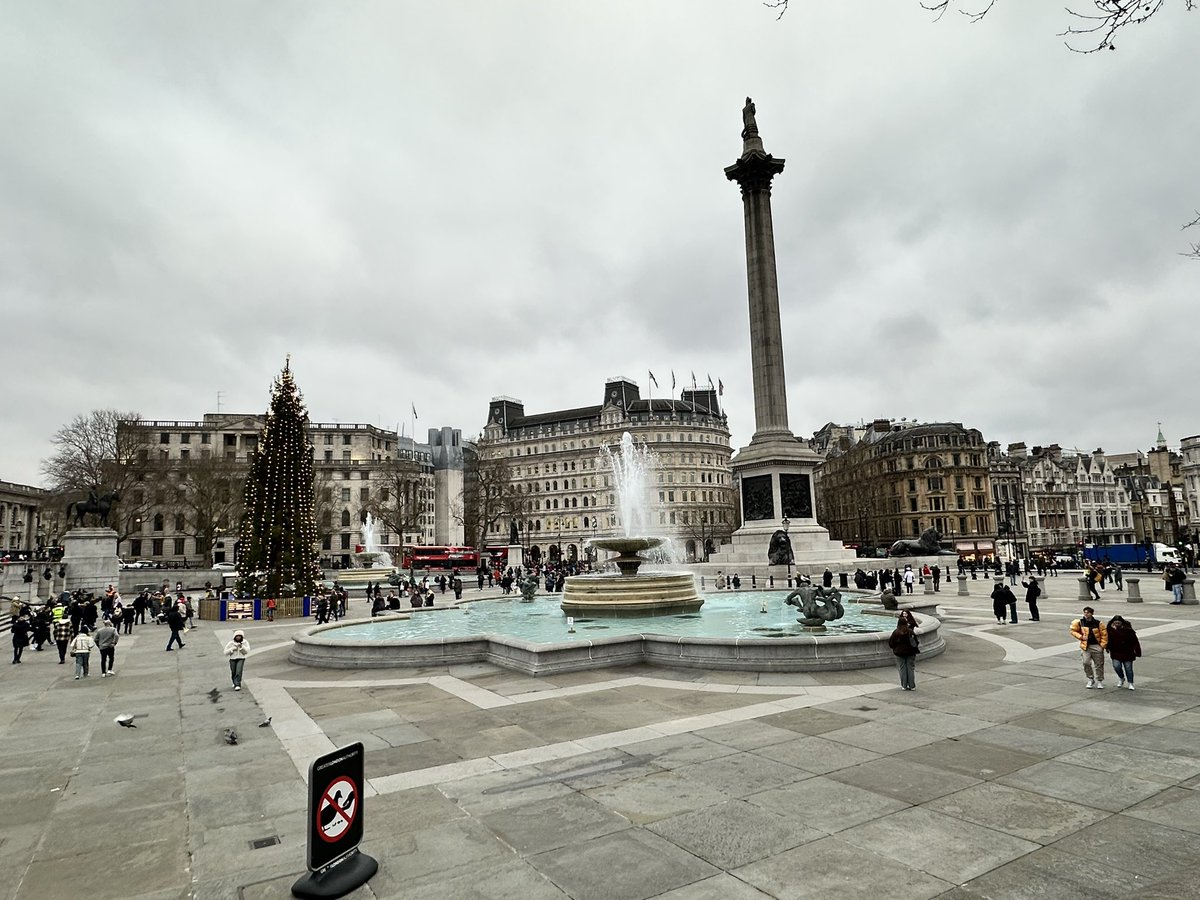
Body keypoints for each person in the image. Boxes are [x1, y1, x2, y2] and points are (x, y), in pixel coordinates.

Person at [1070, 606, 1107, 689]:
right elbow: (1073, 631)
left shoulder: (1098, 623)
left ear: (1092, 613)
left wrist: (1102, 646)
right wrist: (1081, 637)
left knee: (1099, 664)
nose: (1086, 614)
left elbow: (1104, 635)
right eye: (1085, 612)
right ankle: (1090, 678)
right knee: (1086, 662)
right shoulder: (1080, 622)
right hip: (1086, 646)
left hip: (1096, 645)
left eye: (1088, 612)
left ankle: (1100, 680)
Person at [1106, 615, 1142, 690]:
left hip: (1127, 652)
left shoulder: (1128, 630)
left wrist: (1137, 651)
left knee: (1128, 668)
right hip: (1116, 651)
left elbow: (1135, 641)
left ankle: (1130, 682)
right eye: (1115, 623)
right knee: (1117, 666)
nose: (1117, 624)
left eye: (1118, 623)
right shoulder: (1110, 630)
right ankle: (1121, 678)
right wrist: (1107, 647)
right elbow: (1107, 640)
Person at [888, 613, 919, 690]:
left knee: (902, 668)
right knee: (910, 668)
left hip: (899, 653)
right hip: (911, 652)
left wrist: (895, 648)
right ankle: (912, 686)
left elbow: (891, 643)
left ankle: (904, 685)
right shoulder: (910, 631)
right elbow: (916, 642)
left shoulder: (896, 632)